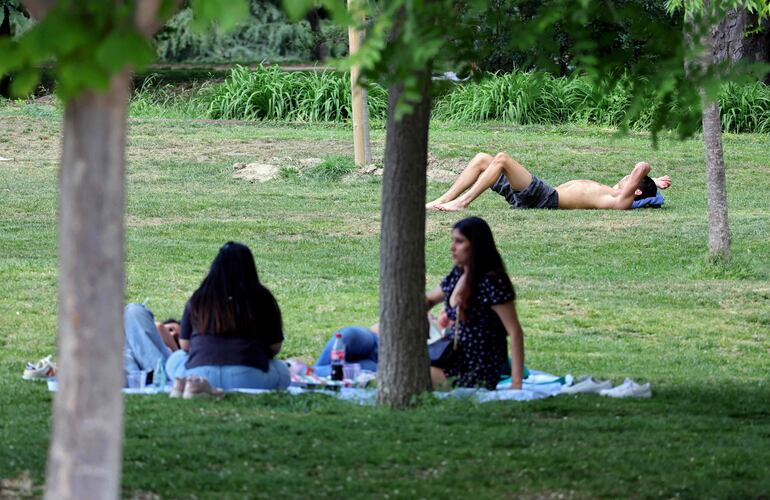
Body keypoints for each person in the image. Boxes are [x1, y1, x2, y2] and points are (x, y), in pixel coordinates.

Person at [165, 242, 291, 391]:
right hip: (250, 376)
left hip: (199, 375)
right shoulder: (263, 297)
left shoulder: (199, 297)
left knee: (175, 358)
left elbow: (185, 345)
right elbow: (274, 347)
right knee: (280, 368)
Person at [425, 216, 525, 390]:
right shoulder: (459, 273)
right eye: (452, 241)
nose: (452, 248)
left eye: (459, 242)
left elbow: (515, 332)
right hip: (451, 358)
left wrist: (516, 384)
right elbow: (429, 299)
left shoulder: (492, 282)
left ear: (476, 245)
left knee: (407, 372)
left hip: (476, 369)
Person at [426, 152, 672, 211]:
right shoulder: (615, 191)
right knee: (482, 159)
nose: (626, 178)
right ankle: (443, 199)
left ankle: (462, 202)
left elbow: (642, 167)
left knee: (501, 159)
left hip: (545, 198)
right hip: (537, 196)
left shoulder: (621, 200)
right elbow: (634, 177)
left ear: (636, 191)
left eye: (631, 180)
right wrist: (655, 183)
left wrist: (650, 178)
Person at [123, 302, 180, 378]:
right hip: (130, 369)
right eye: (170, 329)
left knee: (134, 310)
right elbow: (158, 325)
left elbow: (159, 326)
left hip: (159, 369)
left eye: (176, 339)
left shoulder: (171, 353)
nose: (172, 334)